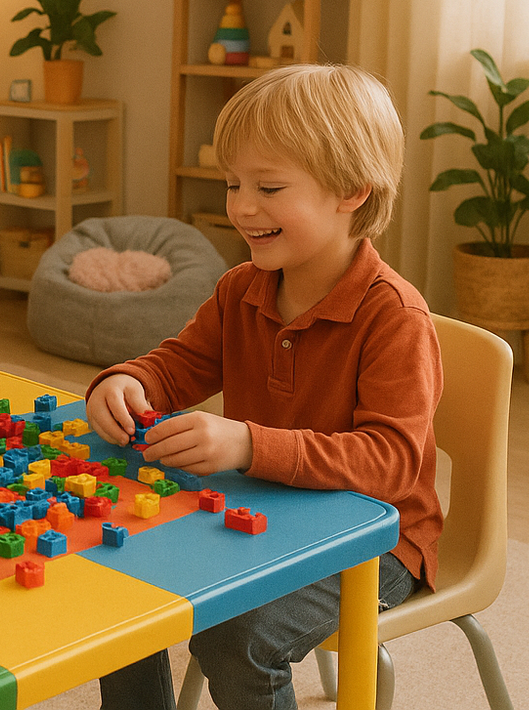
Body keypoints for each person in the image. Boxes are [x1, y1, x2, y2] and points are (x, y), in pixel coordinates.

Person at [85, 64, 443, 710]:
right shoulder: (240, 290)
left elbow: (390, 464)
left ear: (352, 191)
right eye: (233, 184)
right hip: (261, 515)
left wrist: (248, 444)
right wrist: (125, 382)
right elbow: (175, 368)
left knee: (237, 636)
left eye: (269, 187)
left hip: (377, 541)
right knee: (118, 573)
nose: (242, 206)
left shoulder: (394, 315)